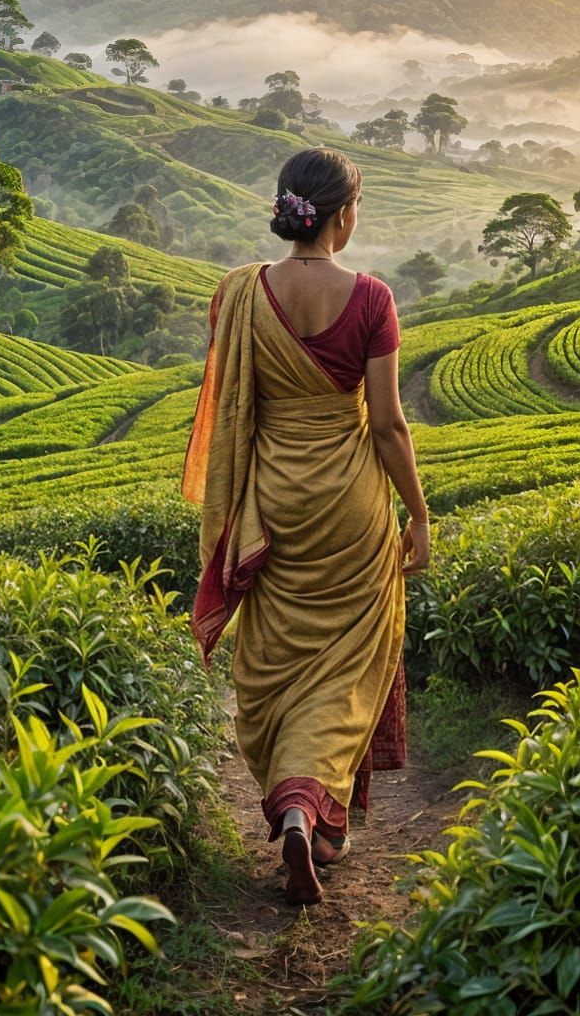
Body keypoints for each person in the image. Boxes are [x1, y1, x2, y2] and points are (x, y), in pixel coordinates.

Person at [183, 146, 431, 905]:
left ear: (292, 211)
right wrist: (418, 513)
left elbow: (236, 410)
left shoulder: (242, 293)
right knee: (349, 664)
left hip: (273, 508)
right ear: (345, 214)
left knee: (278, 659)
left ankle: (294, 804)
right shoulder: (371, 299)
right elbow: (387, 425)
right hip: (352, 511)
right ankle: (317, 815)